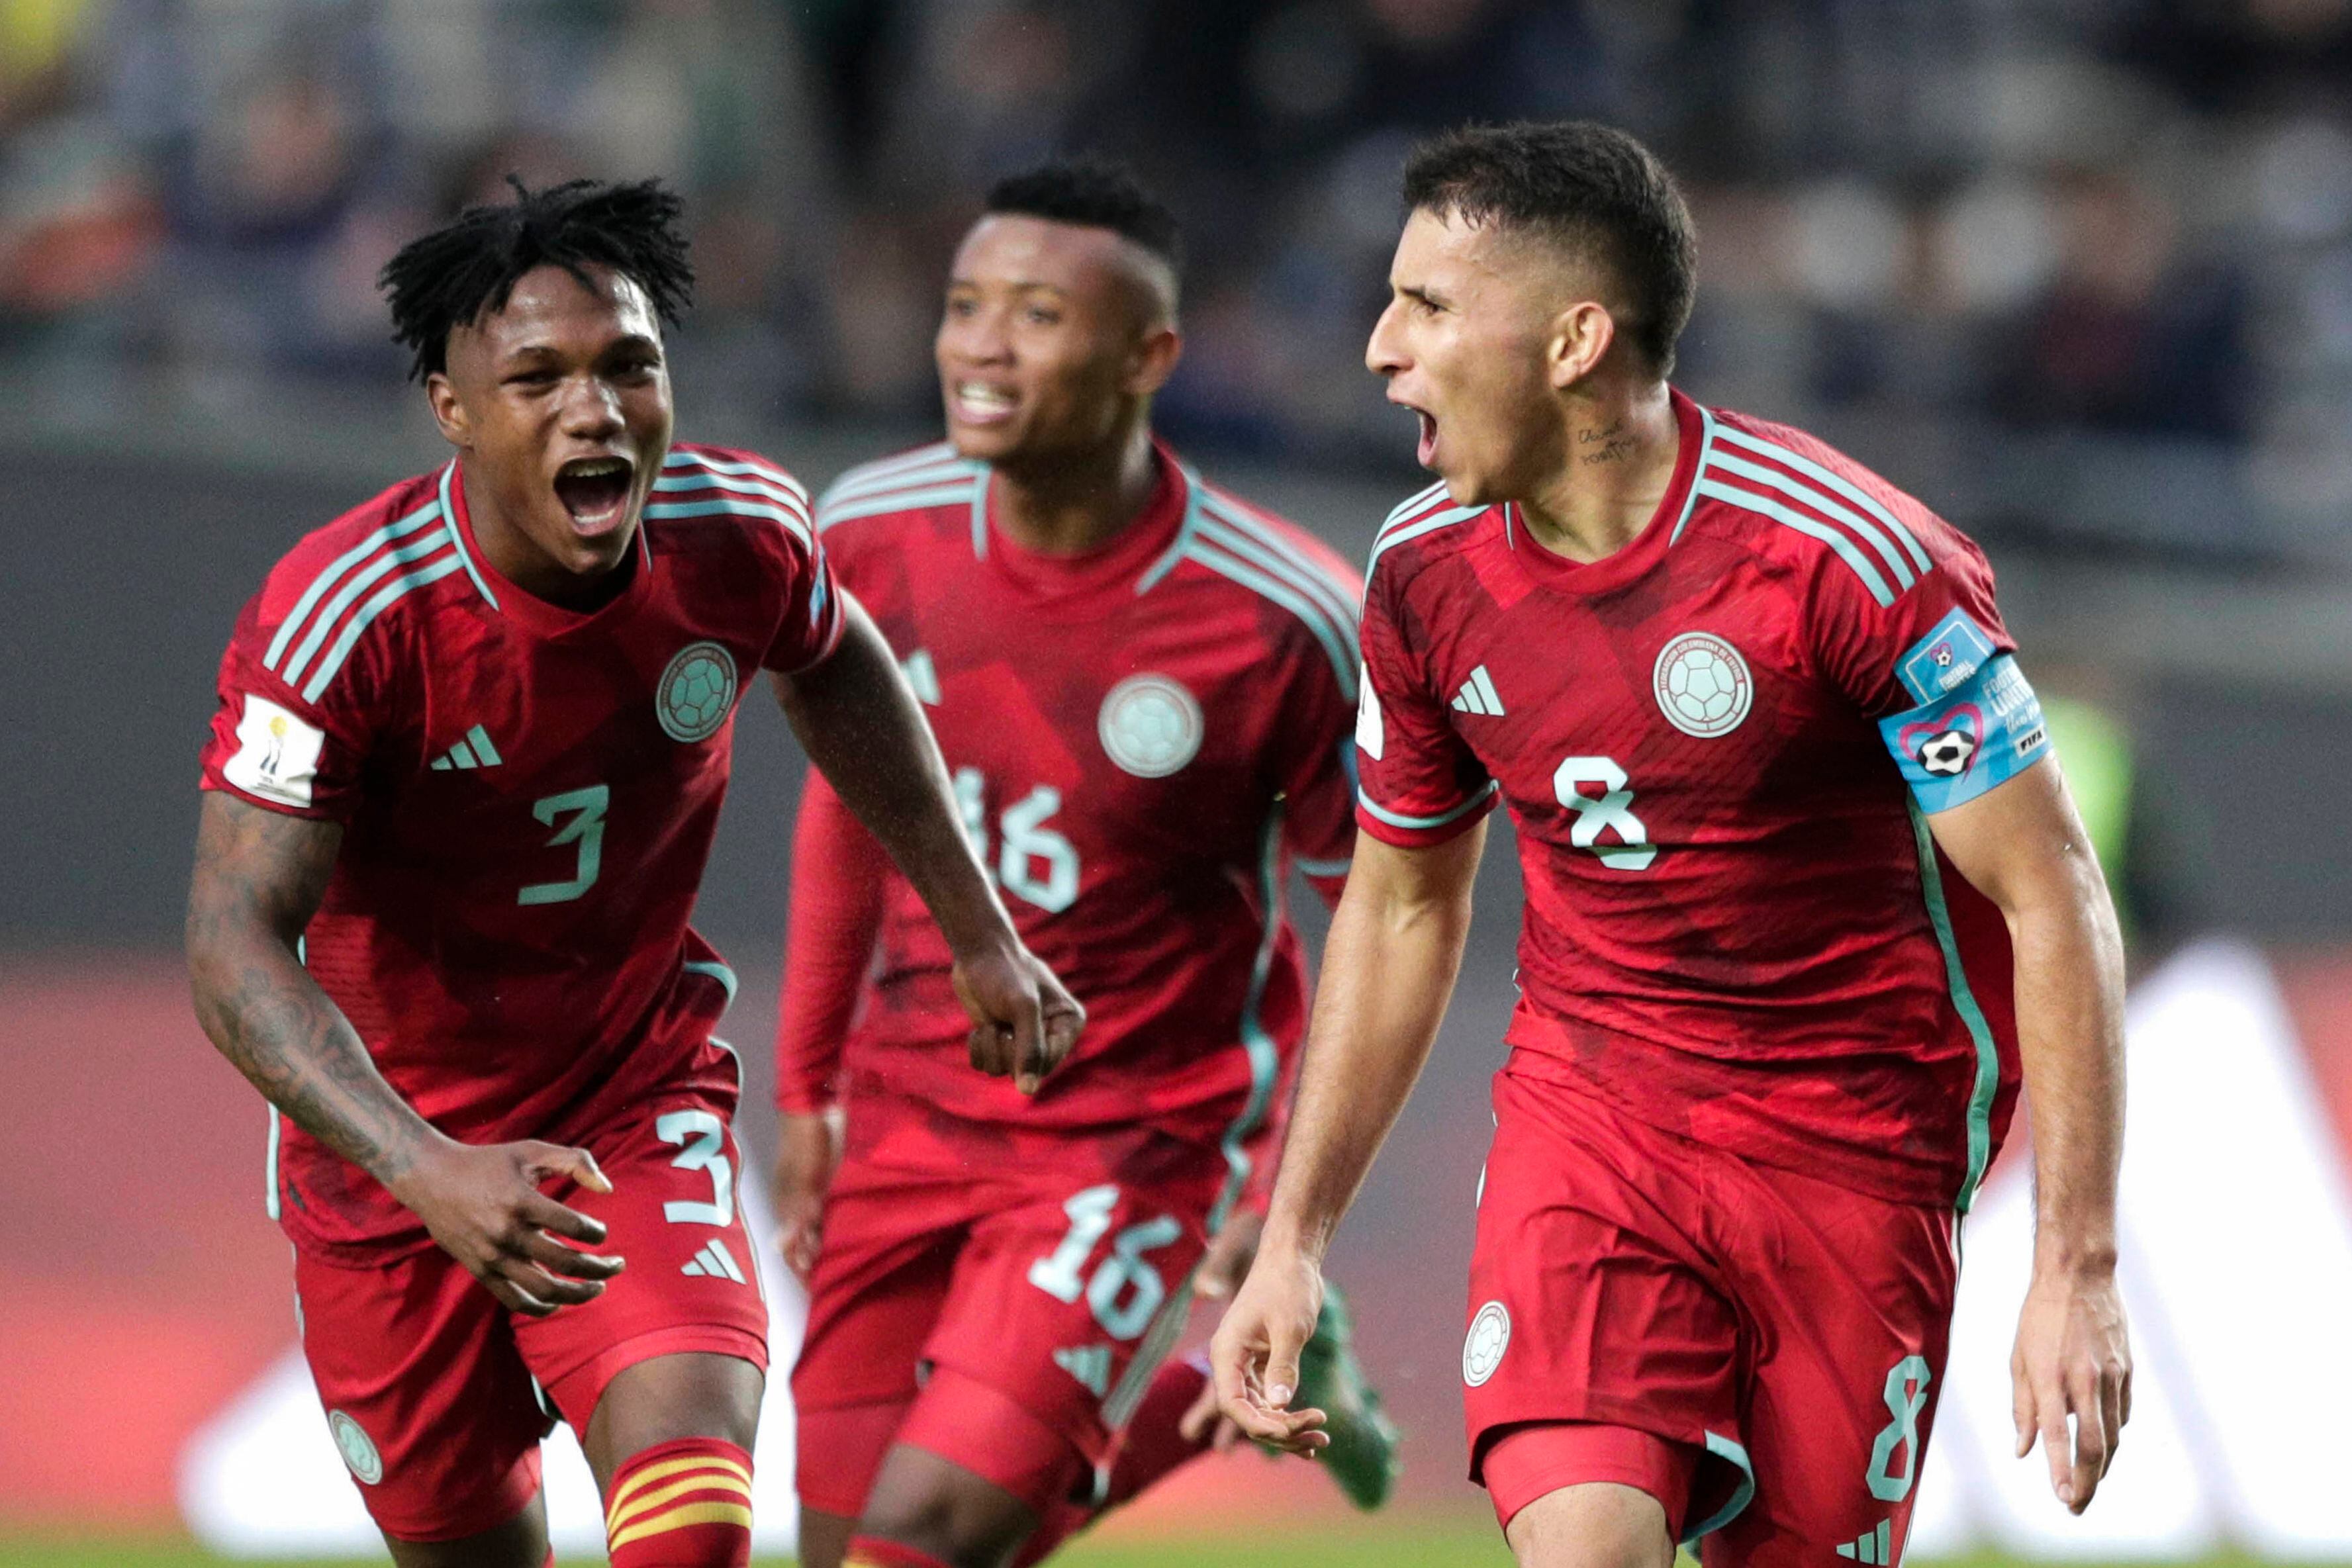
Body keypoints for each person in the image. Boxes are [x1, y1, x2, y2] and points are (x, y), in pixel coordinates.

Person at [1211, 121, 2134, 1568]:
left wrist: (2073, 1266)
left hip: (1852, 1148)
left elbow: (2052, 889)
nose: (1384, 347)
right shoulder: (1419, 577)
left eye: (1431, 306)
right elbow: (1397, 909)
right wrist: (1295, 1236)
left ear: (1575, 339)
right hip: (1593, 1125)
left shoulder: (1851, 563)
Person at [184, 177, 1081, 1568]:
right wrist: (428, 1168)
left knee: (696, 1509)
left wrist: (979, 929)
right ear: (453, 409)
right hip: (393, 1159)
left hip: (628, 1095)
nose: (592, 410)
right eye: (536, 378)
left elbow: (837, 662)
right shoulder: (348, 616)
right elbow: (235, 943)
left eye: (627, 366)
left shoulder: (743, 537)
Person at [771, 159, 1397, 1568]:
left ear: (1147, 356)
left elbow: (1375, 917)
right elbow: (843, 816)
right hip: (910, 1109)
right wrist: (807, 1083)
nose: (981, 345)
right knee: (850, 1547)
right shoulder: (867, 533)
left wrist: (1281, 1208)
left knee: (926, 1538)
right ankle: (1228, 1398)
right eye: (963, 306)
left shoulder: (1281, 619)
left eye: (1038, 316)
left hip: (1137, 1132)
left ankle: (1244, 1360)